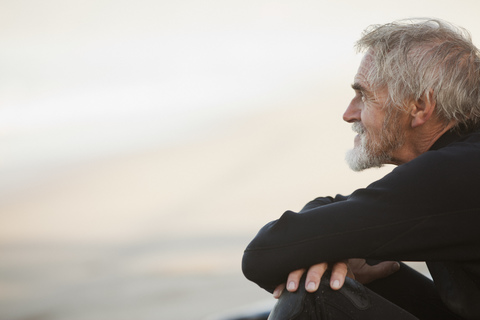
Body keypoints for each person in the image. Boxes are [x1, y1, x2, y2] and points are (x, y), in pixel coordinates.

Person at [242, 18, 480, 320]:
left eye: (364, 95)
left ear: (419, 106)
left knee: (312, 292)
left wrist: (322, 251)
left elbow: (262, 256)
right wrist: (338, 254)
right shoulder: (464, 159)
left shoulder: (450, 174)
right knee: (353, 273)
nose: (348, 113)